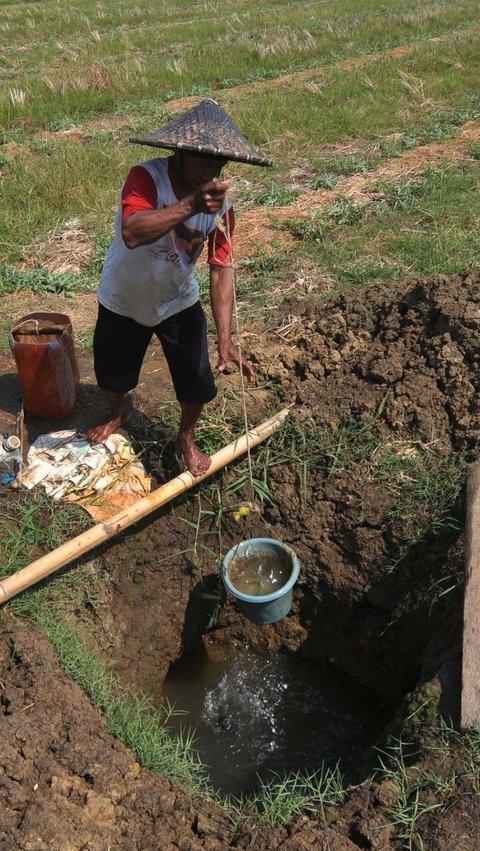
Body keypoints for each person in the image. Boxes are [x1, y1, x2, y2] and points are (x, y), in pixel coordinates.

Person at [87, 98, 272, 476]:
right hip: (125, 295)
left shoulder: (222, 207)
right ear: (179, 153)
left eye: (218, 165)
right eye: (203, 162)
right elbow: (133, 232)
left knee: (197, 382)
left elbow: (221, 269)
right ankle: (119, 411)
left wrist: (225, 338)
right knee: (112, 375)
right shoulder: (146, 178)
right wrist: (190, 207)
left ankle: (185, 436)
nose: (210, 172)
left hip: (176, 300)